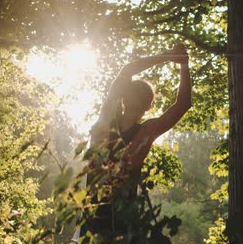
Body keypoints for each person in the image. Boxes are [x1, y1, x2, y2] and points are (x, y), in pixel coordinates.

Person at [74, 43, 192, 243]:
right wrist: (183, 64)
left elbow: (128, 70)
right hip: (123, 227)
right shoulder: (146, 132)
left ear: (123, 99)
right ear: (149, 106)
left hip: (92, 224)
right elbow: (183, 104)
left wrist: (169, 56)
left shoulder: (104, 121)